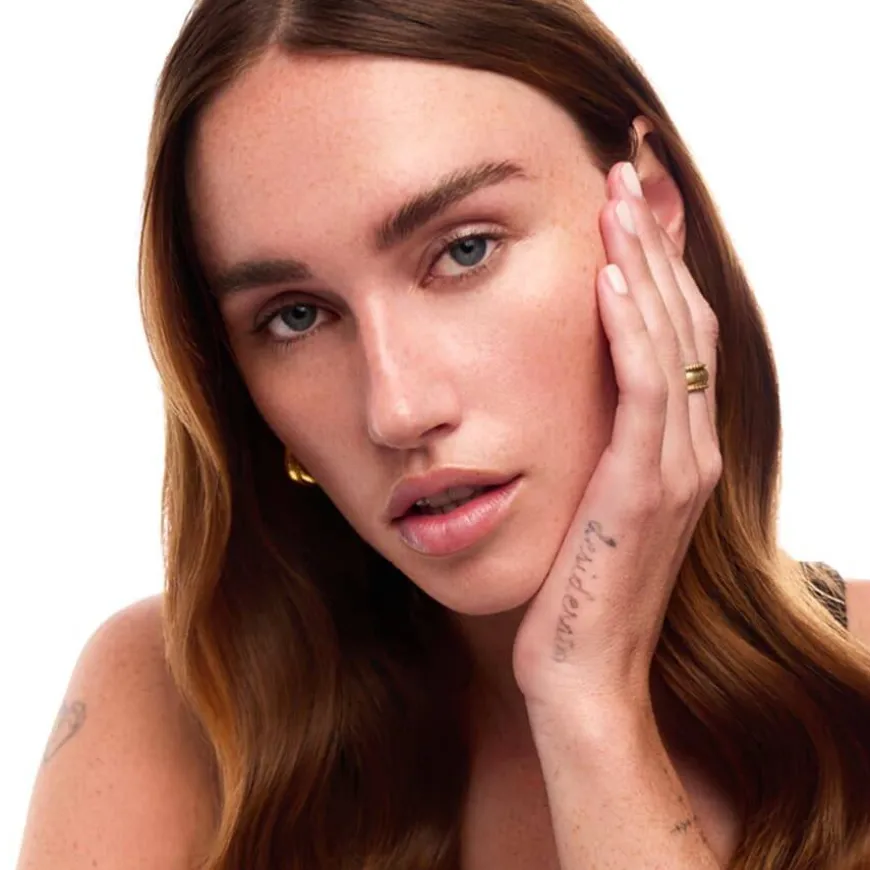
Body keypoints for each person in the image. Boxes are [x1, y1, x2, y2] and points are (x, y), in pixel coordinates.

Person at [15, 0, 870, 868]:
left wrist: (589, 704)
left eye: (464, 250)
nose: (397, 409)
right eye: (295, 315)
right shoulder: (165, 708)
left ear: (646, 203)